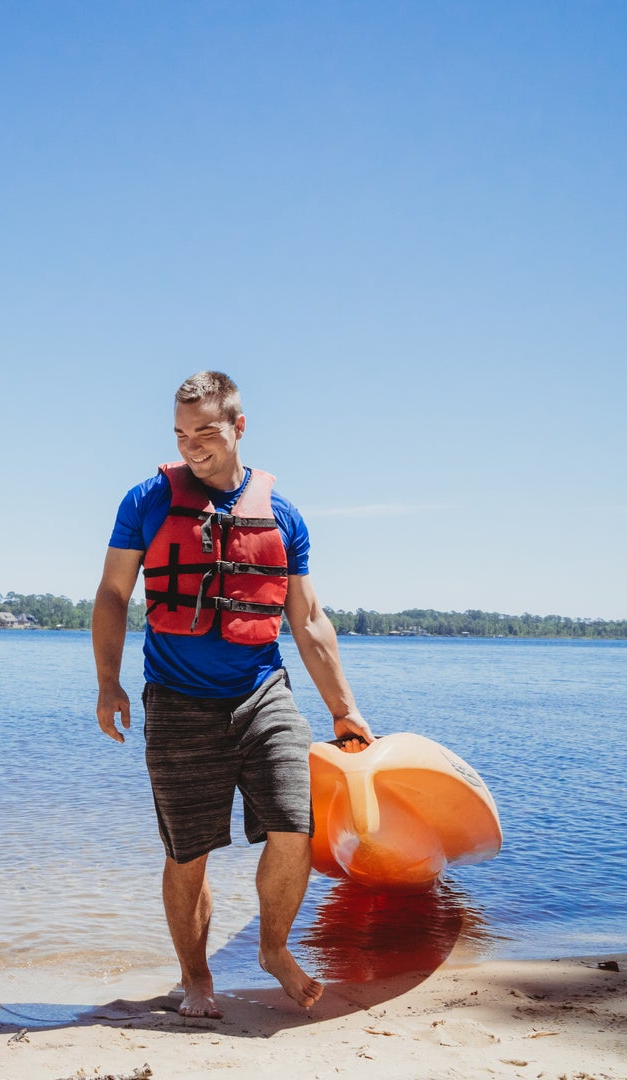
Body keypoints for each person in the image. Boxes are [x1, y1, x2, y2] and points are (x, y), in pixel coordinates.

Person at [92, 371, 374, 1015]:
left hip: (261, 691)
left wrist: (343, 708)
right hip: (176, 696)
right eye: (181, 433)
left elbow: (306, 620)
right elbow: (112, 593)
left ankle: (273, 948)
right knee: (188, 853)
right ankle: (196, 979)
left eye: (207, 432)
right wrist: (108, 683)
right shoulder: (146, 500)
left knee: (294, 825)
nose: (193, 446)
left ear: (239, 426)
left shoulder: (282, 514)